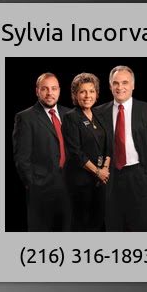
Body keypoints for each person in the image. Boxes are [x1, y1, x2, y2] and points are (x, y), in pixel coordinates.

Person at [95, 65, 147, 231]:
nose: (120, 87)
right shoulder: (98, 113)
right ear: (110, 86)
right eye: (116, 83)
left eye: (125, 82)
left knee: (139, 227)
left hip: (139, 175)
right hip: (110, 177)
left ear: (133, 85)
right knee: (113, 226)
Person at [12, 73, 73, 231]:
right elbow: (22, 158)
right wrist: (33, 185)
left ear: (59, 91)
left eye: (54, 88)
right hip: (41, 190)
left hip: (70, 188)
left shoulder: (70, 114)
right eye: (44, 89)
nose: (49, 93)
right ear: (37, 91)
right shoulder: (25, 118)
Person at [62, 73, 111, 231]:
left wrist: (105, 169)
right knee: (81, 224)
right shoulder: (71, 117)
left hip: (100, 180)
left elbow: (108, 144)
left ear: (96, 94)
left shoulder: (99, 115)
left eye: (91, 91)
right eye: (82, 91)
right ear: (75, 95)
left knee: (98, 222)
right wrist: (98, 172)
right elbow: (75, 153)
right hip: (80, 180)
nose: (87, 95)